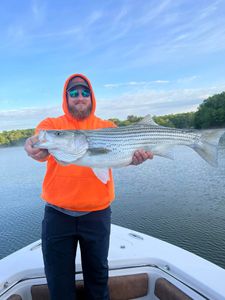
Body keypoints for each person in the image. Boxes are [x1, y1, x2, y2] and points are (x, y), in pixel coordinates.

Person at [24, 73, 153, 300]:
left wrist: (135, 159)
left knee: (97, 277)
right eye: (73, 93)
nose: (79, 97)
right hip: (57, 216)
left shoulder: (107, 127)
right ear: (66, 98)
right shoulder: (51, 126)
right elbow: (38, 145)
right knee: (58, 280)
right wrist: (32, 146)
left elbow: (123, 157)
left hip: (97, 215)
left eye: (84, 92)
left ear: (91, 97)